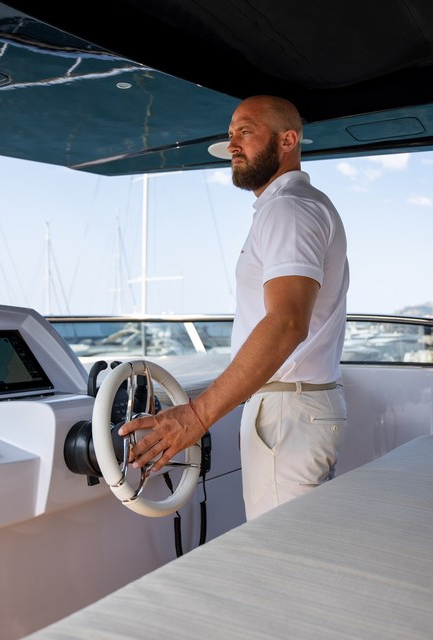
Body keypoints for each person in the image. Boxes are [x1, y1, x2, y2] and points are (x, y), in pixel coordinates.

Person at [119, 95, 349, 519]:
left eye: (245, 132)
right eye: (230, 135)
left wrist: (195, 416)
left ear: (287, 140)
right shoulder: (293, 205)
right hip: (293, 410)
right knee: (291, 543)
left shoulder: (289, 209)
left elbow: (287, 323)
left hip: (288, 413)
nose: (232, 145)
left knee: (281, 549)